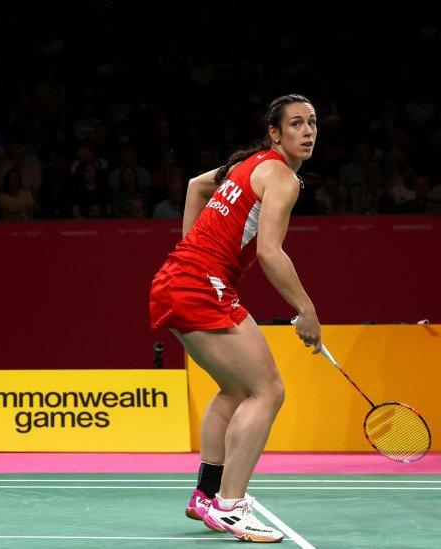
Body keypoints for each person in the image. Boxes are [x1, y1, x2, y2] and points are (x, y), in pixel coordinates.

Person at [149, 94, 322, 543]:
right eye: (296, 124)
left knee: (235, 390)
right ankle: (230, 506)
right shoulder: (282, 177)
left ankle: (206, 495)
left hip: (178, 278)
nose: (307, 132)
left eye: (312, 123)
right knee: (269, 391)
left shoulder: (248, 165)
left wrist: (192, 254)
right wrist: (306, 310)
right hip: (197, 282)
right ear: (275, 132)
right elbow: (269, 252)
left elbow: (194, 186)